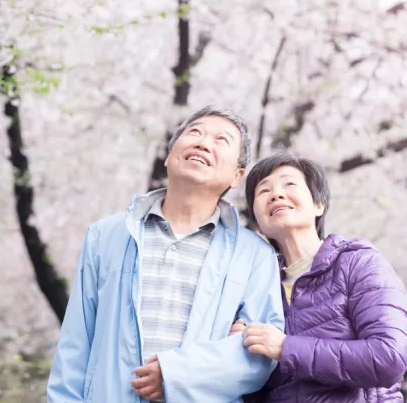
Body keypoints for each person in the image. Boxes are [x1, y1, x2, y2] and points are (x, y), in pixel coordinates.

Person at [46, 105, 285, 403]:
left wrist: (176, 375)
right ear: (170, 153)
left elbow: (259, 357)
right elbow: (75, 346)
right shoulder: (105, 236)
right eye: (194, 132)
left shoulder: (254, 255)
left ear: (236, 176)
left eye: (221, 140)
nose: (203, 143)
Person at [231, 151, 407, 402]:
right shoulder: (255, 284)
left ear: (319, 205)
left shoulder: (358, 263)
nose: (276, 194)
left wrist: (285, 348)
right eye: (263, 191)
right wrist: (237, 353)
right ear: (258, 221)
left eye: (289, 184)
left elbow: (388, 358)